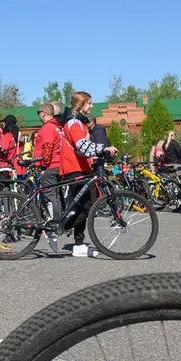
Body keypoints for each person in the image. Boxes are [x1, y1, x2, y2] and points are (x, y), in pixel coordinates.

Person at [58, 91, 117, 249]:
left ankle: (78, 243)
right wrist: (103, 148)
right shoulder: (74, 123)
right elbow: (81, 146)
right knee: (85, 206)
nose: (91, 106)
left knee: (84, 205)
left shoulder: (79, 123)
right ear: (80, 105)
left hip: (81, 167)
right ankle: (60, 229)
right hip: (74, 167)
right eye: (89, 103)